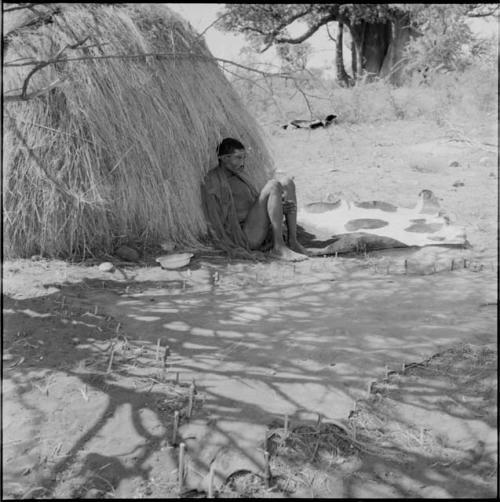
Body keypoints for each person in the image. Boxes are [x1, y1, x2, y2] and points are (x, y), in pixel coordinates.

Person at [202, 137, 309, 261]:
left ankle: (293, 242)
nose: (243, 162)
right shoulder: (213, 181)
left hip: (259, 227)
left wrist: (279, 208)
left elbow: (255, 204)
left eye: (244, 157)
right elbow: (218, 219)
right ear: (225, 158)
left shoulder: (240, 175)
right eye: (238, 157)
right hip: (245, 236)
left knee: (287, 182)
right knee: (273, 185)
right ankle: (278, 247)